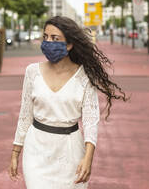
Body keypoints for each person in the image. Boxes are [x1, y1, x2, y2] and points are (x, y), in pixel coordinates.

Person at [8, 16, 129, 188]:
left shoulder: (85, 77)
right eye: (45, 37)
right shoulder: (32, 72)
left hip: (70, 152)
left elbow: (90, 120)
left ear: (69, 44)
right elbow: (25, 115)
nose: (48, 42)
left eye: (55, 38)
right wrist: (15, 153)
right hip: (35, 150)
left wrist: (88, 157)